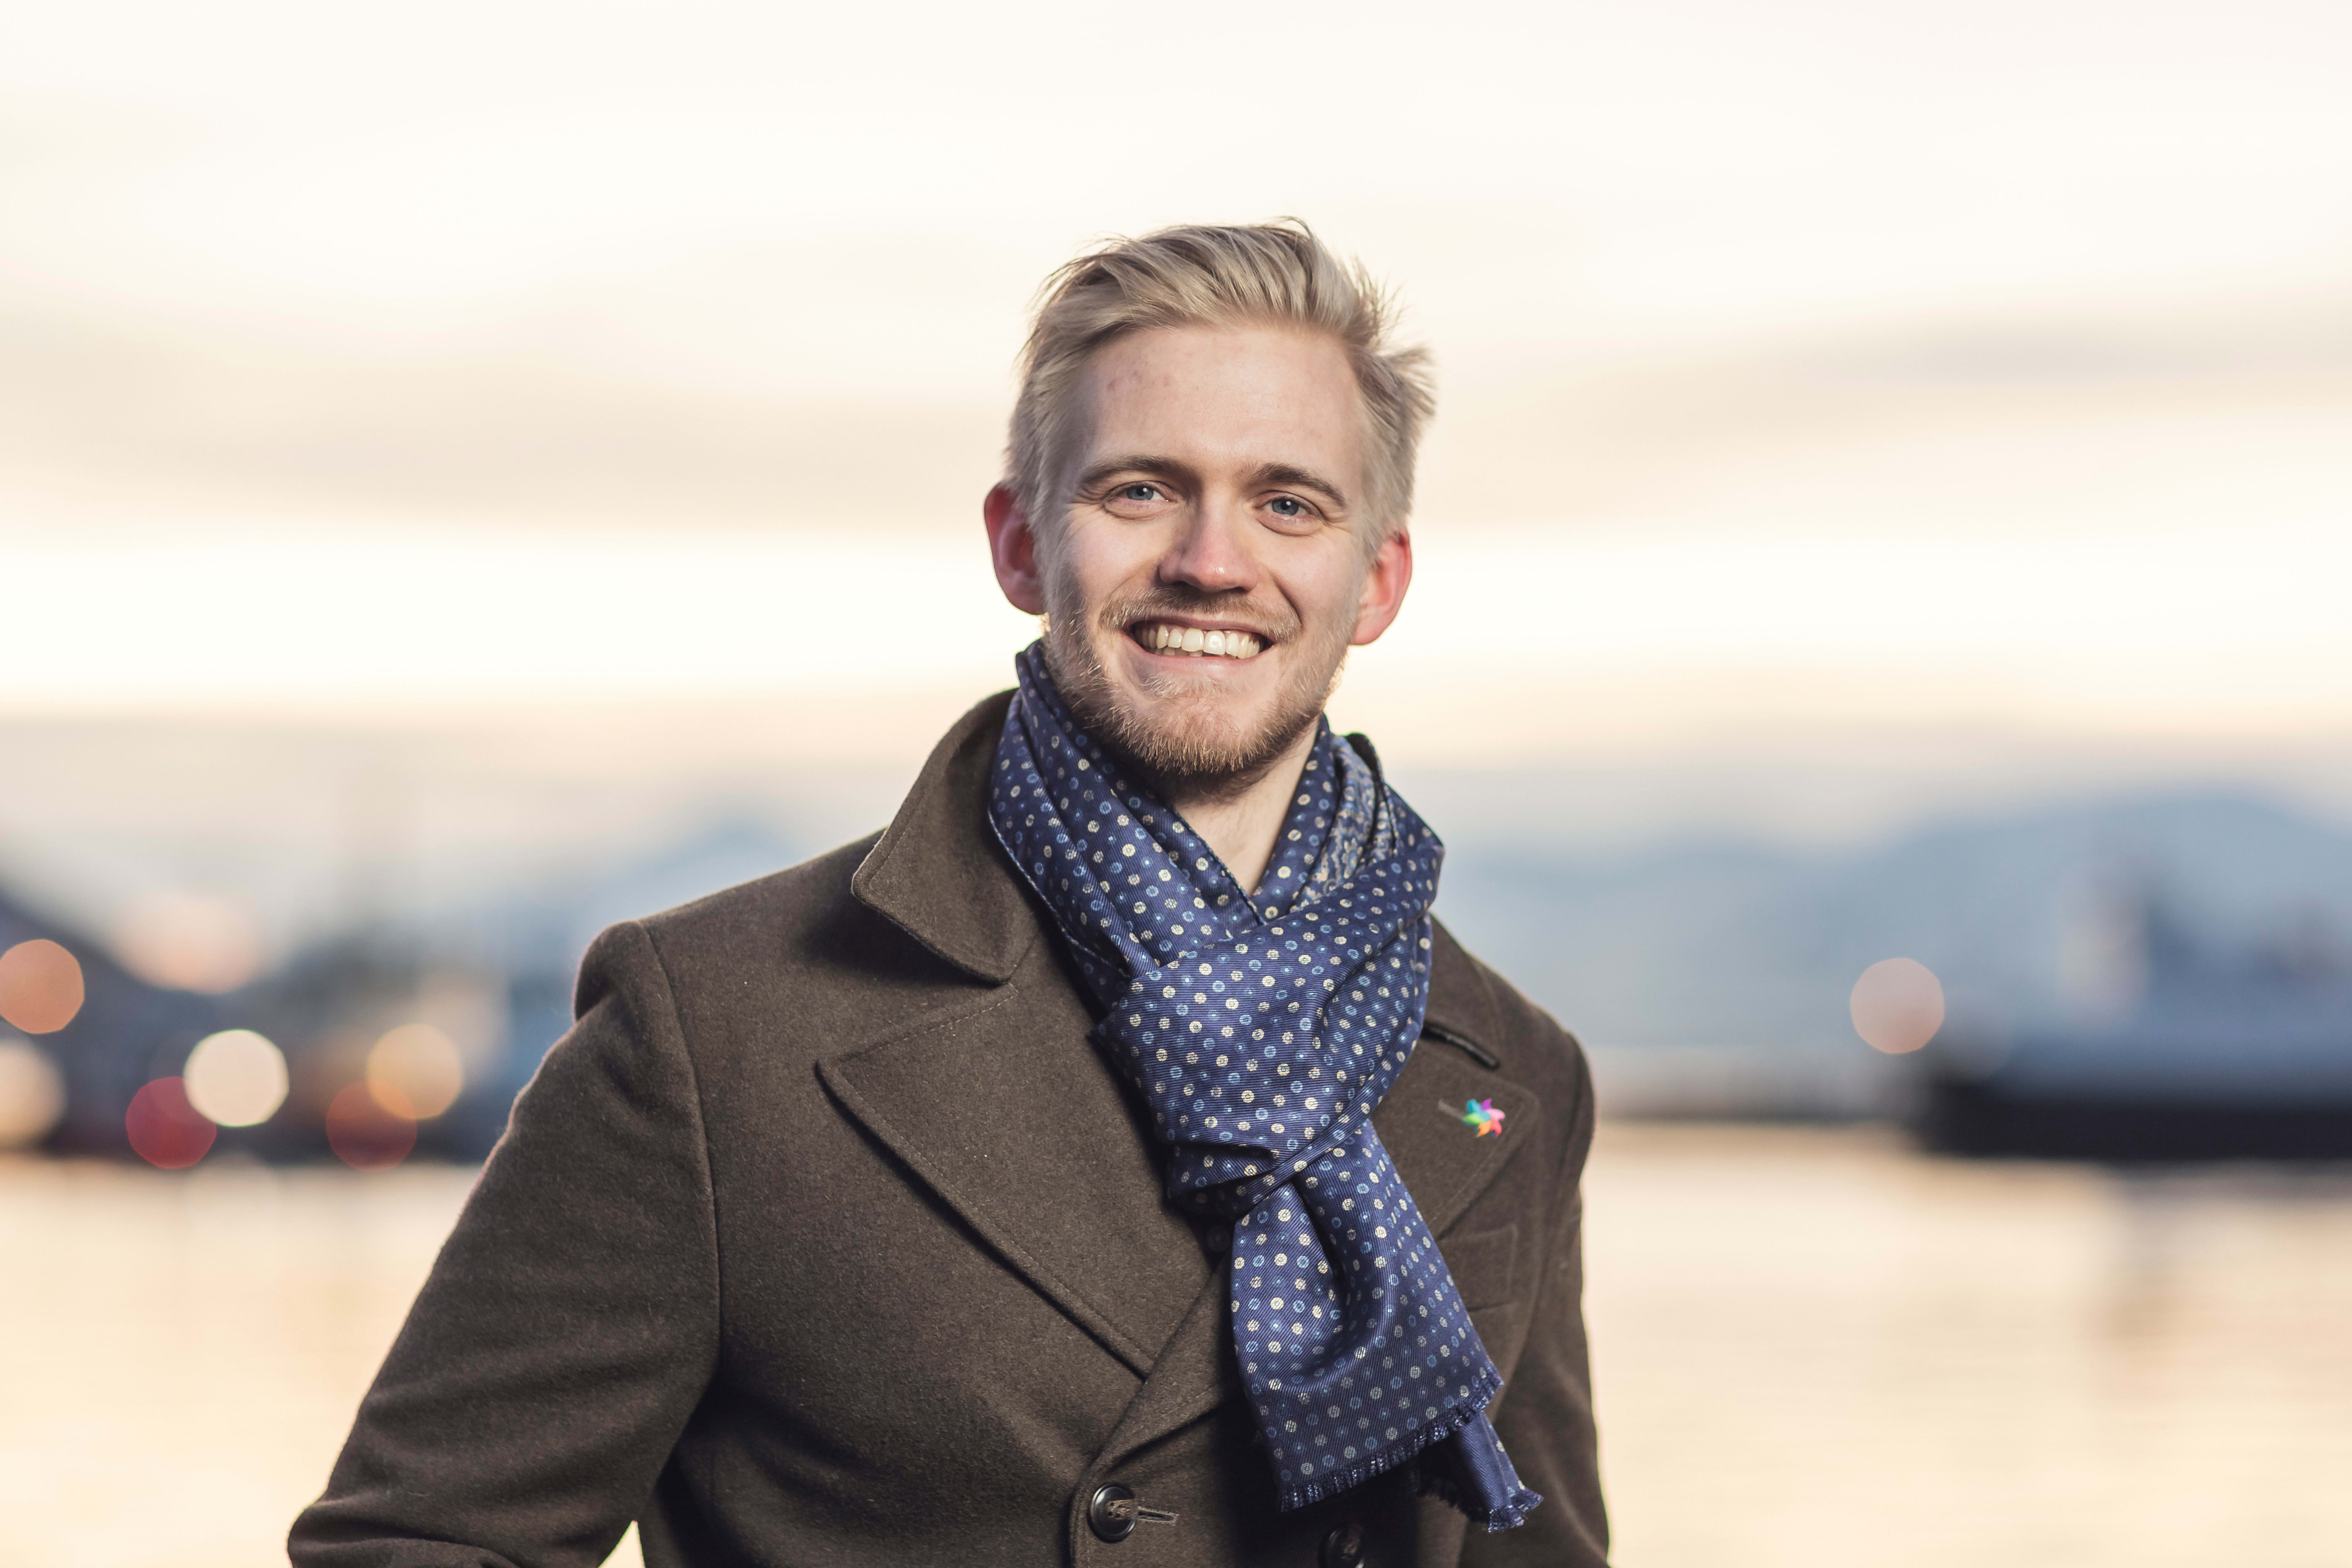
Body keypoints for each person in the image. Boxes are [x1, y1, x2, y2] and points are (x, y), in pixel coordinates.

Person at [291, 220, 1608, 1568]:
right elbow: (419, 1545)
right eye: (1140, 491)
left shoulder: (1511, 1071)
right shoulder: (717, 1029)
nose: (1212, 561)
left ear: (1375, 580)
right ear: (1021, 546)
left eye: (1288, 504)